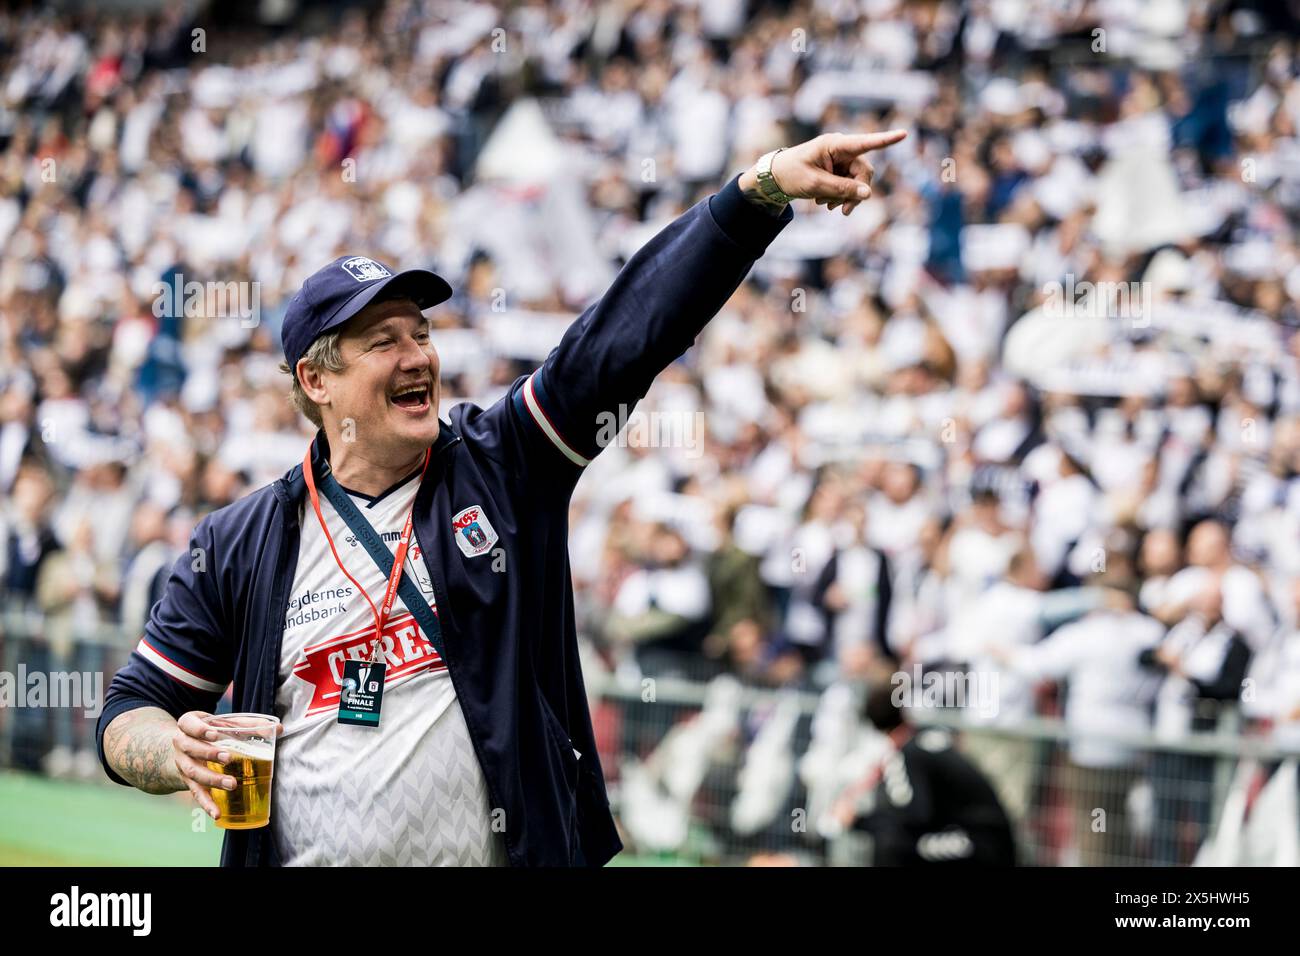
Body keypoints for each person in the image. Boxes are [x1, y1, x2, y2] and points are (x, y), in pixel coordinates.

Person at [95, 130, 910, 866]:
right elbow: (131, 708)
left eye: (421, 332)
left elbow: (622, 340)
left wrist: (756, 193)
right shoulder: (243, 541)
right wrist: (174, 752)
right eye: (384, 342)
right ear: (317, 380)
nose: (418, 356)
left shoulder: (503, 466)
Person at [833, 676, 1017, 866]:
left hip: (981, 844)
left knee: (896, 845)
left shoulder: (909, 752)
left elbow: (911, 818)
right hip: (986, 837)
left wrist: (858, 821)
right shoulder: (926, 738)